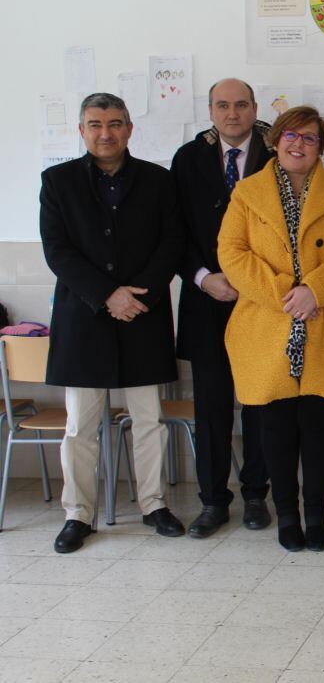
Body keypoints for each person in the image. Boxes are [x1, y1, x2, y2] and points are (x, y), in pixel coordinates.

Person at [218, 106, 324, 552]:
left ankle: (317, 512)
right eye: (290, 135)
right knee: (276, 433)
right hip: (269, 325)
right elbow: (232, 252)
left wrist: (316, 291)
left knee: (322, 430)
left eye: (308, 138)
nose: (297, 144)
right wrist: (288, 293)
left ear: (320, 146)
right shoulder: (247, 193)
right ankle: (286, 513)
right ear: (275, 140)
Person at [40, 93, 185, 553]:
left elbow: (172, 243)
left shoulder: (159, 181)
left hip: (143, 312)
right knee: (80, 425)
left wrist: (134, 295)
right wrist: (107, 296)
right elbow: (57, 250)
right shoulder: (57, 181)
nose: (107, 133)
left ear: (129, 128)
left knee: (149, 419)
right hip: (84, 316)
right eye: (96, 124)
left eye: (116, 123)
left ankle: (154, 504)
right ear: (81, 130)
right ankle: (77, 514)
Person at [171, 78, 272, 538]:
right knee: (211, 407)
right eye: (223, 105)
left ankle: (255, 496)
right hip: (206, 299)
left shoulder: (277, 155)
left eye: (241, 105)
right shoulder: (188, 158)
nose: (232, 113)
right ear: (210, 111)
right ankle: (213, 501)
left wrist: (258, 283)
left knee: (259, 404)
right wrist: (203, 278)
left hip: (261, 304)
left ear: (255, 108)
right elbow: (172, 233)